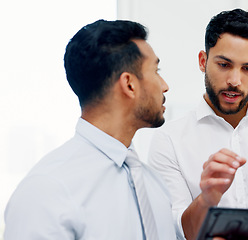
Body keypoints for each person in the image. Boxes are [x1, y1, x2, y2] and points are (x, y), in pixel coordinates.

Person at [4, 19, 182, 239]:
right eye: (156, 71)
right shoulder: (46, 191)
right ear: (129, 84)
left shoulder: (154, 186)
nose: (165, 85)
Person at [147, 8, 248, 239]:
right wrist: (207, 197)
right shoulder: (169, 141)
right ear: (203, 61)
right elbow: (178, 232)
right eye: (224, 65)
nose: (235, 81)